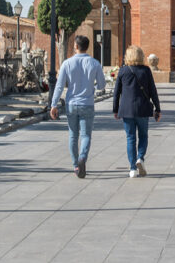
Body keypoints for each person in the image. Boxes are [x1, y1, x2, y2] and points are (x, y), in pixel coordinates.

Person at [50, 35, 106, 178]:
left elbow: (59, 85)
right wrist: (91, 84)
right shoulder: (94, 63)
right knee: (86, 135)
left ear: (75, 46)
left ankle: (76, 165)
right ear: (87, 46)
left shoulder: (67, 63)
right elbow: (101, 85)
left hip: (71, 104)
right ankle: (83, 158)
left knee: (73, 135)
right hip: (87, 103)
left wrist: (54, 104)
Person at [113, 45, 161, 178]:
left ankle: (132, 168)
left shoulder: (123, 71)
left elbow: (116, 92)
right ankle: (140, 158)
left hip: (126, 109)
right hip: (143, 108)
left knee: (130, 138)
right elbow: (152, 90)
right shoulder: (146, 70)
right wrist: (158, 108)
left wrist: (115, 109)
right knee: (143, 135)